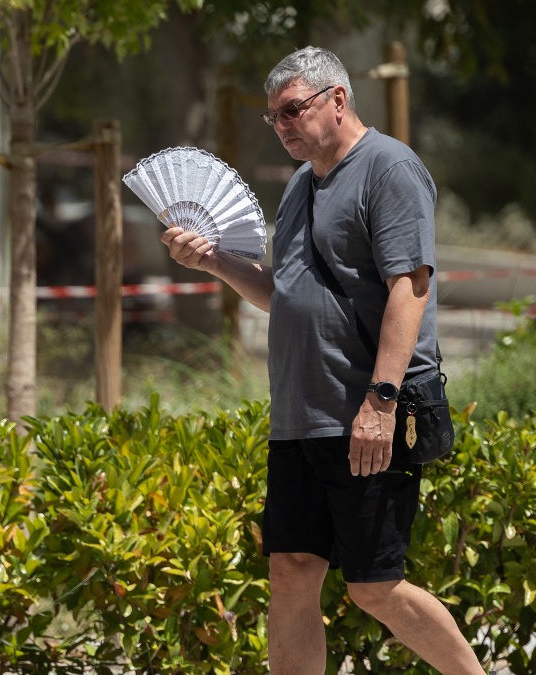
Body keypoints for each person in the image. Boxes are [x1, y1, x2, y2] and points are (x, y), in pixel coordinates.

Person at [160, 47, 485, 673]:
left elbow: (409, 288)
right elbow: (281, 295)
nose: (281, 125)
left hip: (365, 412)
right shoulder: (301, 186)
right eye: (273, 117)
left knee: (374, 586)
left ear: (338, 100)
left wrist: (381, 400)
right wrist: (214, 262)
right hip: (300, 417)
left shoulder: (389, 168)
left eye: (292, 111)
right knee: (291, 570)